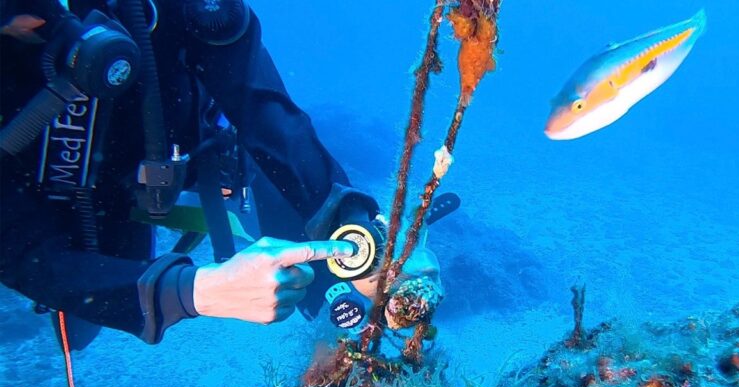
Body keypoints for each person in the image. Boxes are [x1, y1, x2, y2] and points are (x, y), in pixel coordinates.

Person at [0, 0, 440, 346]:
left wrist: (354, 226)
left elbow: (264, 110)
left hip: (181, 163)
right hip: (49, 222)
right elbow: (20, 255)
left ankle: (331, 316)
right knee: (81, 329)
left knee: (284, 190)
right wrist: (193, 292)